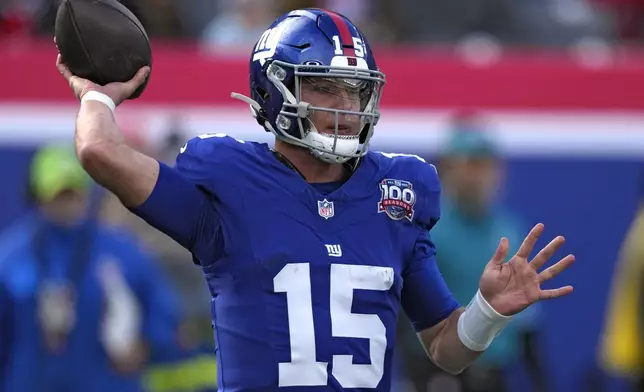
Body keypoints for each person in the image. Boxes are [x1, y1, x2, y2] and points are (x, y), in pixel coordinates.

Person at [55, 8, 575, 391]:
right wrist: (97, 95)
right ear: (276, 89)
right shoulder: (229, 186)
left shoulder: (396, 193)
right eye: (326, 87)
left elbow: (445, 346)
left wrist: (487, 311)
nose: (346, 106)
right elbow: (100, 150)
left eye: (356, 90)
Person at [0, 145, 181, 392]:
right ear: (37, 196)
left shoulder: (122, 252)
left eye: (74, 193)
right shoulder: (11, 256)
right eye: (59, 195)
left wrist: (145, 347)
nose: (68, 204)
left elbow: (163, 311)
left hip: (108, 384)